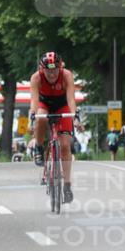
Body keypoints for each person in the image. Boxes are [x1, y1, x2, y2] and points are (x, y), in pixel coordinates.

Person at [28, 51, 81, 204]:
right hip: (44, 104)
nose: (51, 74)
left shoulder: (67, 75)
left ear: (60, 67)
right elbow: (34, 101)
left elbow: (71, 99)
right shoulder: (36, 78)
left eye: (55, 70)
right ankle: (38, 147)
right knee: (41, 117)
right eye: (48, 70)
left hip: (62, 105)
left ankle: (67, 185)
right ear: (42, 69)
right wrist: (32, 116)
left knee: (65, 146)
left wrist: (75, 117)